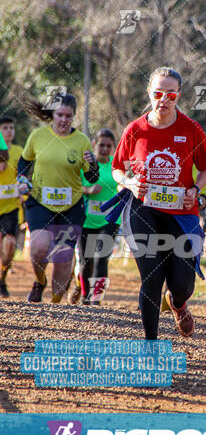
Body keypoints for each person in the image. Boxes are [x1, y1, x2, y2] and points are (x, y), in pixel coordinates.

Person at [111, 66, 206, 340]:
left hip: (180, 213)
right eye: (158, 93)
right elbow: (116, 168)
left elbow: (205, 169)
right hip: (142, 209)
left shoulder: (191, 129)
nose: (163, 100)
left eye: (170, 95)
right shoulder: (135, 130)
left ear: (178, 95)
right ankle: (151, 345)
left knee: (182, 285)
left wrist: (195, 188)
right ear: (149, 93)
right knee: (152, 275)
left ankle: (178, 304)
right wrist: (130, 183)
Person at [17, 93, 99, 303]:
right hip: (40, 202)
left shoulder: (81, 141)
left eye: (68, 116)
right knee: (39, 247)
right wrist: (22, 179)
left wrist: (94, 164)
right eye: (60, 115)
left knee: (63, 258)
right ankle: (39, 281)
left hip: (71, 206)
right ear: (52, 115)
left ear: (74, 116)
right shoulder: (37, 136)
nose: (63, 120)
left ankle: (55, 305)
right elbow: (24, 162)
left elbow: (92, 177)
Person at [70, 129, 120, 306]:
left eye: (108, 146)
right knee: (87, 261)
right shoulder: (86, 166)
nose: (105, 149)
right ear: (94, 145)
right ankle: (84, 296)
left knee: (101, 257)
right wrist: (88, 190)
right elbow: (74, 186)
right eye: (101, 145)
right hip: (87, 219)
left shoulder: (117, 166)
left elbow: (126, 182)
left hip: (110, 220)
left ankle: (96, 299)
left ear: (113, 147)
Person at [0, 117, 23, 297]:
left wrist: (23, 188)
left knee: (10, 244)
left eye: (11, 128)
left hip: (11, 206)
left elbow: (22, 176)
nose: (9, 131)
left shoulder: (19, 151)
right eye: (5, 128)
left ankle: (2, 276)